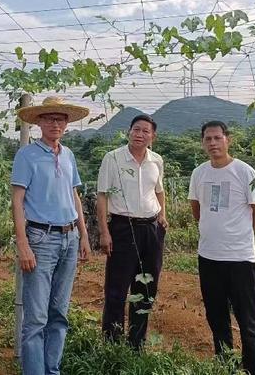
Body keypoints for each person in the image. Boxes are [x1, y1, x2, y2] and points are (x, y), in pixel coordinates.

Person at [11, 96, 92, 375]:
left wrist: (83, 234)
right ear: (39, 122)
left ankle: (52, 369)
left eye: (60, 119)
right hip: (41, 239)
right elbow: (17, 200)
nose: (55, 123)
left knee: (59, 313)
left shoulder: (68, 155)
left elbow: (74, 196)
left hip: (69, 238)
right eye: (49, 118)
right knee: (36, 317)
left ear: (66, 123)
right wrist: (23, 243)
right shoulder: (27, 155)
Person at [189, 120, 255, 375]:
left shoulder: (246, 172)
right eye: (208, 139)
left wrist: (242, 234)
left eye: (217, 138)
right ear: (203, 143)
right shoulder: (199, 173)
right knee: (217, 317)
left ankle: (251, 370)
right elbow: (196, 210)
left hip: (241, 259)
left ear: (227, 139)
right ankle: (225, 367)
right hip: (209, 257)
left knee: (247, 321)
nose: (212, 143)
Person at [96, 114, 167, 350]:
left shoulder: (156, 160)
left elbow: (159, 191)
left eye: (146, 131)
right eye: (136, 129)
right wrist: (105, 232)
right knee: (117, 288)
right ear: (129, 132)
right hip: (123, 228)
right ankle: (112, 342)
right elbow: (102, 196)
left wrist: (163, 215)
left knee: (146, 286)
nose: (140, 134)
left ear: (153, 137)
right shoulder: (113, 158)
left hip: (151, 229)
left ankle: (136, 342)